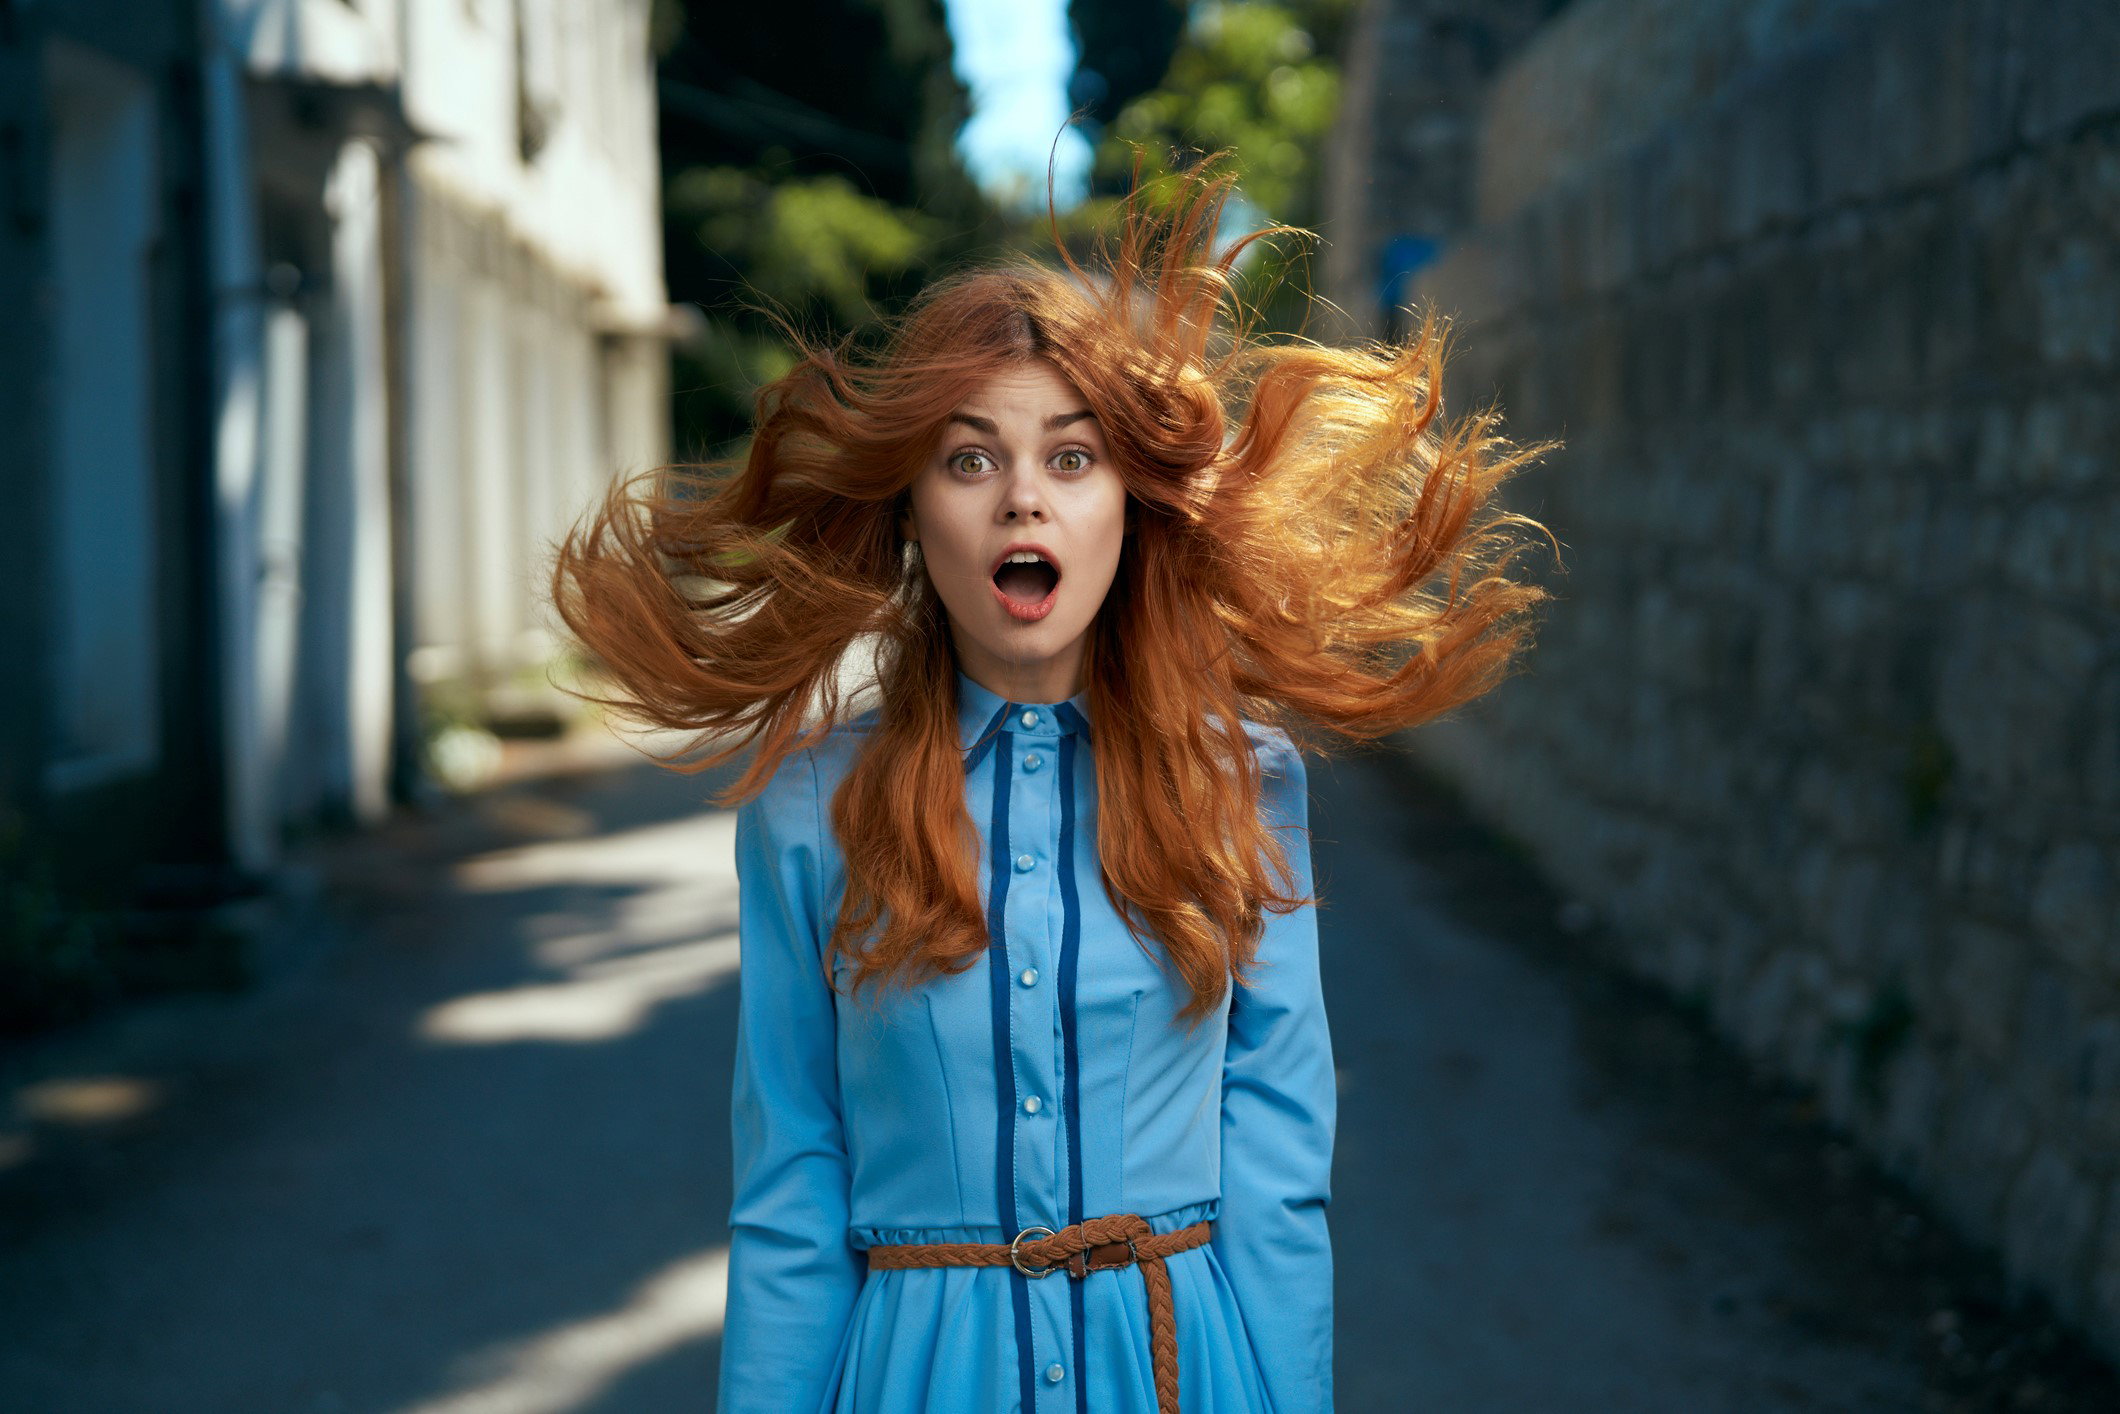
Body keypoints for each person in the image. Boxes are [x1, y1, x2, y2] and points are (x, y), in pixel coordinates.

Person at [549, 158, 1556, 1414]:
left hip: (1180, 1375)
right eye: (969, 462)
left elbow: (1281, 1178)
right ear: (912, 513)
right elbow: (791, 1192)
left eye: (1072, 460)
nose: (1023, 493)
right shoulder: (809, 811)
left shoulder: (1243, 784)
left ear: (1130, 508)